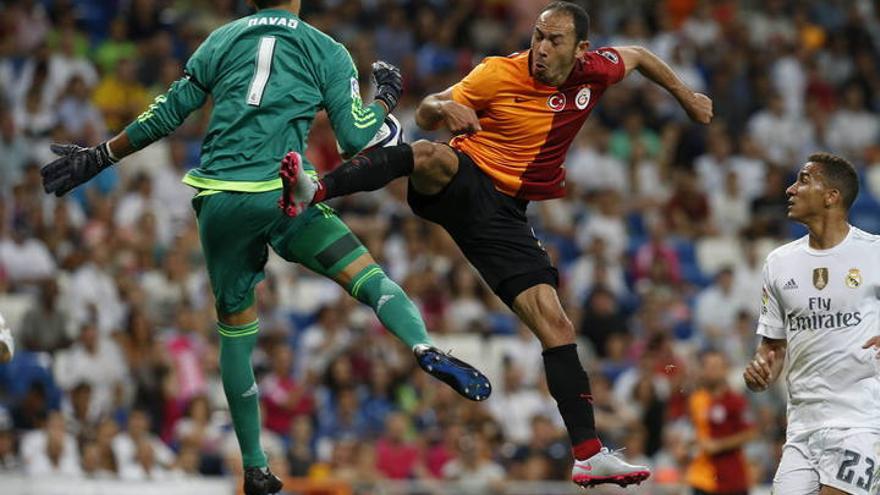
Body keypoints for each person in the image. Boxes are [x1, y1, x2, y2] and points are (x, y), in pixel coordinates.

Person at [39, 1, 490, 494]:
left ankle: (255, 466)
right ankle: (422, 346)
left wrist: (100, 156)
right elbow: (355, 138)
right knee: (369, 278)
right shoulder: (326, 49)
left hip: (222, 199)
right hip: (282, 193)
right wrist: (384, 96)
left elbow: (166, 115)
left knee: (235, 332)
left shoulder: (220, 39)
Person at [280, 1, 711, 487]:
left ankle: (588, 453)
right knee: (429, 154)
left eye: (555, 41)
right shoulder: (497, 73)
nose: (541, 48)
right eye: (538, 36)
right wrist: (446, 106)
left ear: (582, 50)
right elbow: (426, 109)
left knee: (556, 324)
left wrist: (686, 95)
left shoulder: (597, 71)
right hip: (464, 180)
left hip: (505, 216)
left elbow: (639, 55)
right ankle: (314, 190)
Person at [744, 152, 880, 495]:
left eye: (803, 180)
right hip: (802, 428)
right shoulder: (779, 263)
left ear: (832, 196)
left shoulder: (873, 252)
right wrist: (762, 369)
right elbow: (772, 347)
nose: (790, 189)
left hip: (861, 421)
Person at [687, 349, 756, 495]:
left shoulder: (736, 401)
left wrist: (719, 445)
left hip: (731, 477)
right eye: (708, 367)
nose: (712, 371)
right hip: (701, 477)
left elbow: (750, 433)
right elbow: (699, 432)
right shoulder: (696, 400)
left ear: (725, 369)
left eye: (716, 366)